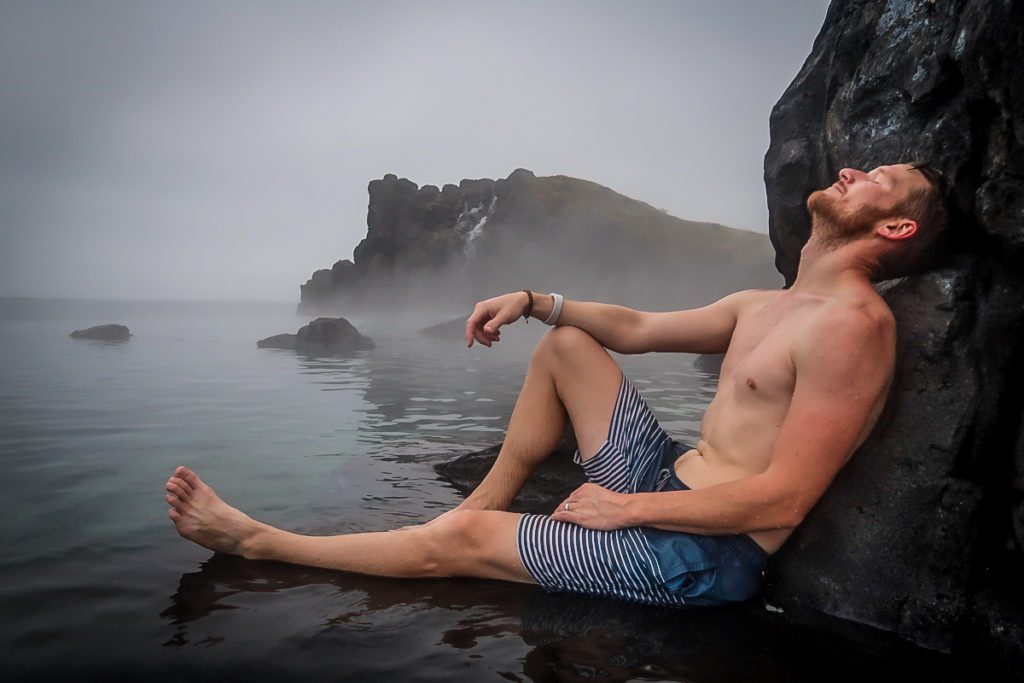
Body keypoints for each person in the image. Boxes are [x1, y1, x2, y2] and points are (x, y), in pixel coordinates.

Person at [165, 162, 952, 606]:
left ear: (896, 229)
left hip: (706, 555)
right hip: (671, 475)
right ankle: (480, 500)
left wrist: (625, 508)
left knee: (464, 548)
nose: (852, 170)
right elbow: (637, 329)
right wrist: (536, 301)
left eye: (877, 179)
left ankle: (257, 539)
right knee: (569, 345)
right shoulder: (771, 305)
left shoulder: (853, 327)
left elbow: (784, 497)